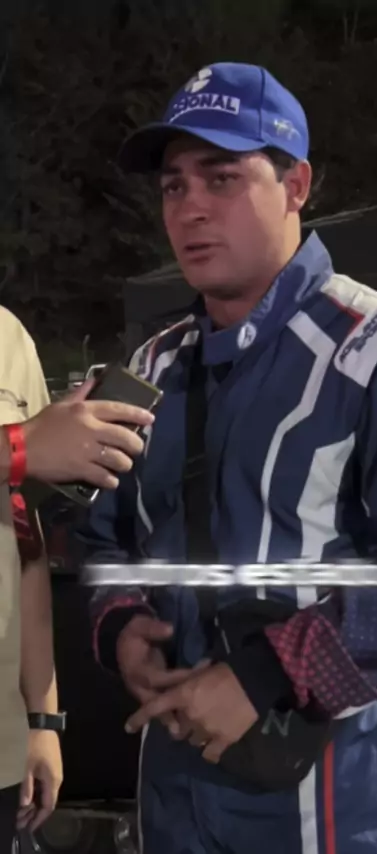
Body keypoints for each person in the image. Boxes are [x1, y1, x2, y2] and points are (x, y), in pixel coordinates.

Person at [80, 63, 377, 854]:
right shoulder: (149, 367)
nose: (191, 207)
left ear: (296, 185)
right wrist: (121, 624)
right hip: (172, 785)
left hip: (332, 793)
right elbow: (103, 538)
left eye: (222, 177)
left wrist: (265, 676)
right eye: (173, 186)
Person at [0, 304, 154, 852]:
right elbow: (21, 454)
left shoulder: (7, 335)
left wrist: (42, 718)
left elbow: (23, 540)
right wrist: (18, 447)